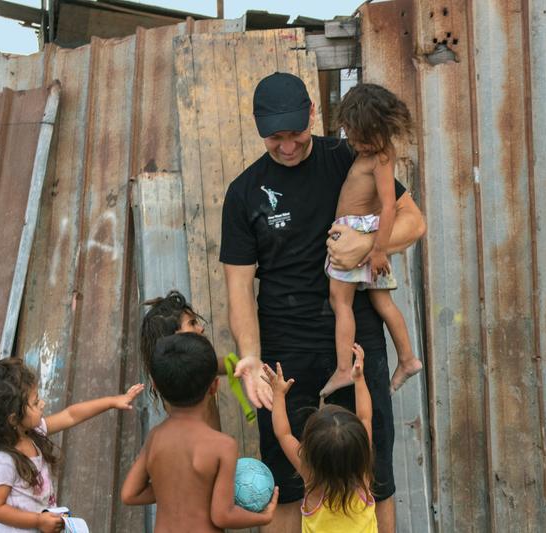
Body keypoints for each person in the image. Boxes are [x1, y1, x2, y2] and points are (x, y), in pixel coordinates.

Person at [220, 71, 426, 532]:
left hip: (354, 347)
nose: (288, 146)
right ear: (259, 129)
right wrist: (251, 357)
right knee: (288, 479)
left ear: (312, 114)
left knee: (373, 473)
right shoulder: (244, 192)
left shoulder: (352, 155)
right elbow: (239, 291)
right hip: (284, 352)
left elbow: (414, 221)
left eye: (295, 134)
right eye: (275, 138)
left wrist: (369, 240)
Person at [321, 83, 423, 398]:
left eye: (356, 135)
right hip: (366, 234)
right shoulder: (379, 152)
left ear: (375, 129)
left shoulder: (379, 158)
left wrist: (378, 249)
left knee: (341, 302)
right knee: (383, 302)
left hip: (359, 234)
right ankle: (407, 359)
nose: (352, 141)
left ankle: (342, 370)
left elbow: (389, 205)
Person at [120, 332, 278, 531]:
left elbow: (129, 494)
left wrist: (171, 489)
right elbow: (222, 516)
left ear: (156, 386)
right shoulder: (223, 446)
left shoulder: (155, 438)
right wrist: (264, 518)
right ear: (214, 386)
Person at [0, 357, 144, 532]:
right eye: (35, 402)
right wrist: (38, 521)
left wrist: (112, 402)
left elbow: (71, 415)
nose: (42, 404)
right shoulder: (3, 460)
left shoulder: (32, 433)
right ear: (14, 419)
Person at [265, 343, 377, 532]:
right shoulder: (362, 478)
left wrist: (278, 395)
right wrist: (359, 379)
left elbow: (283, 433)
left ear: (309, 450)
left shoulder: (310, 476)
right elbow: (365, 416)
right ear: (360, 452)